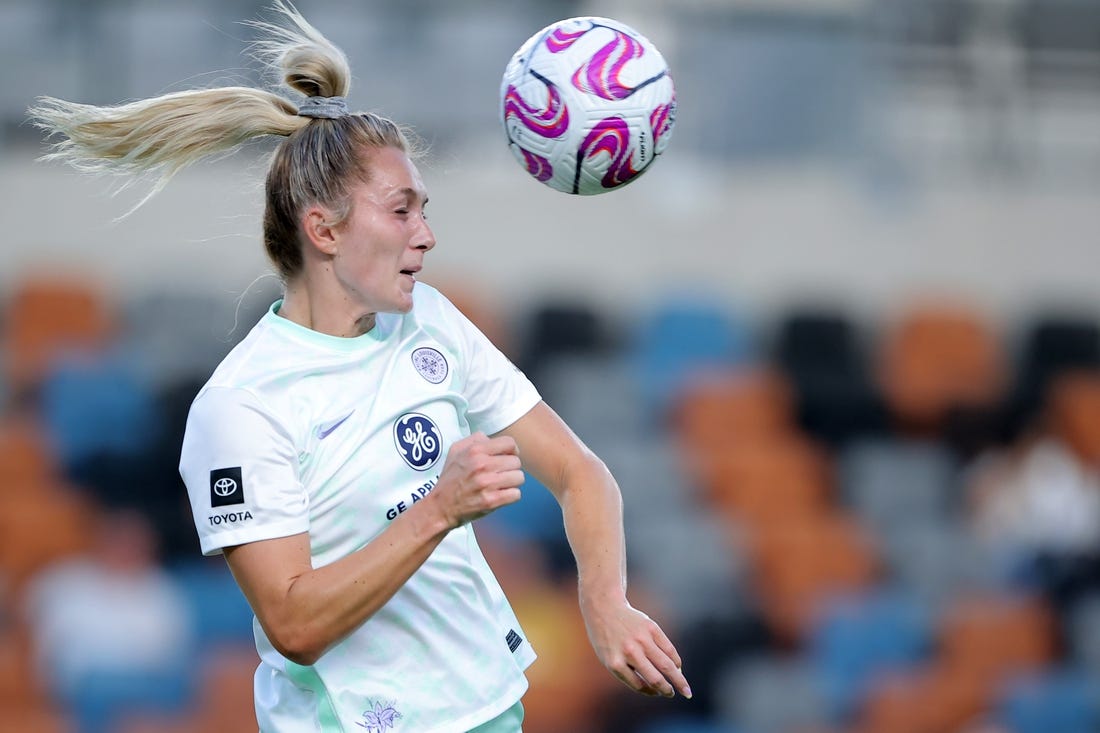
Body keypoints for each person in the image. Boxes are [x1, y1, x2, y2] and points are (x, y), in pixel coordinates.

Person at [27, 3, 691, 732]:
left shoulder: (429, 319)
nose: (428, 235)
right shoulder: (243, 405)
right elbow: (293, 622)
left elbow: (580, 471)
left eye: (424, 209)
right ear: (324, 229)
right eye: (401, 210)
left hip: (490, 708)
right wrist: (439, 508)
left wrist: (604, 600)